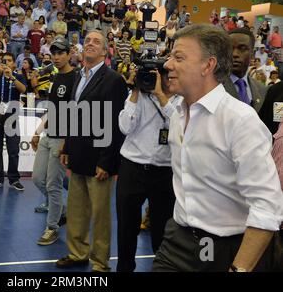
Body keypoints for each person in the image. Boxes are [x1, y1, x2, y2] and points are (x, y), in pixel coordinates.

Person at [152, 24, 283, 272]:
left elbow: (267, 206)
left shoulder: (240, 120)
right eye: (170, 56)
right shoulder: (178, 113)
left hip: (226, 248)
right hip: (176, 239)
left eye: (178, 57)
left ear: (208, 65)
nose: (168, 64)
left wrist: (239, 269)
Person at [56, 30, 128, 272]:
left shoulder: (114, 80)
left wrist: (107, 162)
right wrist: (67, 145)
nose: (90, 44)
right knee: (76, 211)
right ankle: (77, 253)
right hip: (77, 154)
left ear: (106, 50)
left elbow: (115, 126)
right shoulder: (78, 76)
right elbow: (73, 116)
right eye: (87, 40)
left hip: (99, 159)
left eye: (96, 41)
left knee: (100, 216)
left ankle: (100, 261)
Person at [116, 65, 181, 272]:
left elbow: (180, 128)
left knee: (162, 231)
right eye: (162, 75)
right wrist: (135, 90)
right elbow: (125, 127)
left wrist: (161, 96)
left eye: (168, 75)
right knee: (127, 228)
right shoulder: (139, 95)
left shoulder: (183, 99)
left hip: (164, 172)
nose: (166, 79)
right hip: (132, 168)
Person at [31, 37, 76, 245]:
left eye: (60, 53)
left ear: (69, 54)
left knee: (53, 184)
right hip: (48, 136)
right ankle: (64, 209)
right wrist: (38, 131)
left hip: (61, 139)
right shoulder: (55, 78)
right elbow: (51, 109)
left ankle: (52, 227)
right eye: (54, 54)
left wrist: (68, 141)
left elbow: (76, 114)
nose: (56, 57)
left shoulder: (76, 79)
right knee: (38, 179)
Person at [0, 52, 27, 191]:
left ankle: (14, 179)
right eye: (4, 61)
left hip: (12, 119)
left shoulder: (19, 76)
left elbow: (23, 89)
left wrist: (12, 77)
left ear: (14, 63)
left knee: (13, 151)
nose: (7, 63)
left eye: (9, 61)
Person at [224, 28, 267, 112]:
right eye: (230, 48)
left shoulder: (262, 89)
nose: (234, 54)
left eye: (242, 48)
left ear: (252, 54)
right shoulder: (212, 86)